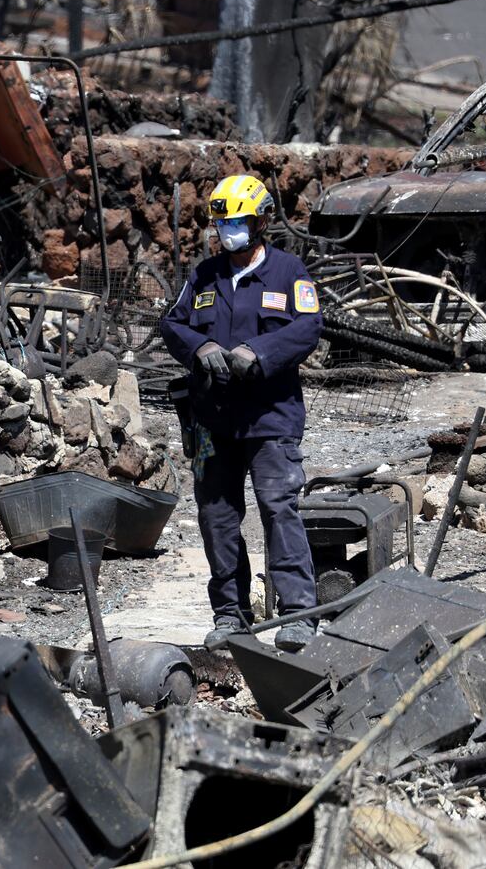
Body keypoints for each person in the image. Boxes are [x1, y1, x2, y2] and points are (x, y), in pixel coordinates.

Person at [160, 174, 324, 653]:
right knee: (217, 516)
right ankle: (231, 613)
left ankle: (298, 614)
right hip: (213, 420)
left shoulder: (289, 271)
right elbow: (172, 322)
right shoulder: (203, 275)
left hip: (271, 418)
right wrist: (201, 346)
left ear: (262, 221)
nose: (229, 230)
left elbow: (308, 327)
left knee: (278, 508)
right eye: (223, 223)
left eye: (239, 221)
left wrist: (260, 351)